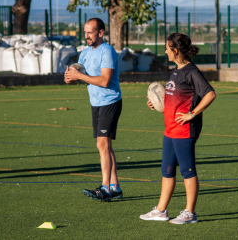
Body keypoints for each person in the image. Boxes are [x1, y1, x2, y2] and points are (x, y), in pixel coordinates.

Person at [140, 33, 216, 224]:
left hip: (184, 131)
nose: (165, 51)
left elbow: (210, 94)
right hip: (170, 130)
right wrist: (158, 105)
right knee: (167, 170)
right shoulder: (176, 71)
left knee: (187, 171)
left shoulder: (192, 72)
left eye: (167, 48)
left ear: (175, 50)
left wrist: (192, 114)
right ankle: (161, 210)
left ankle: (190, 213)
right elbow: (175, 99)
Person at [64, 18, 123, 202]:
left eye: (91, 32)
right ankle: (115, 187)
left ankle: (105, 188)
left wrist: (80, 75)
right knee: (106, 146)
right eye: (85, 32)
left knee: (102, 145)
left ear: (101, 32)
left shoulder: (108, 51)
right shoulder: (85, 54)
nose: (87, 36)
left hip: (110, 101)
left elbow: (105, 80)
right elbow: (82, 78)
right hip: (96, 103)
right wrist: (70, 78)